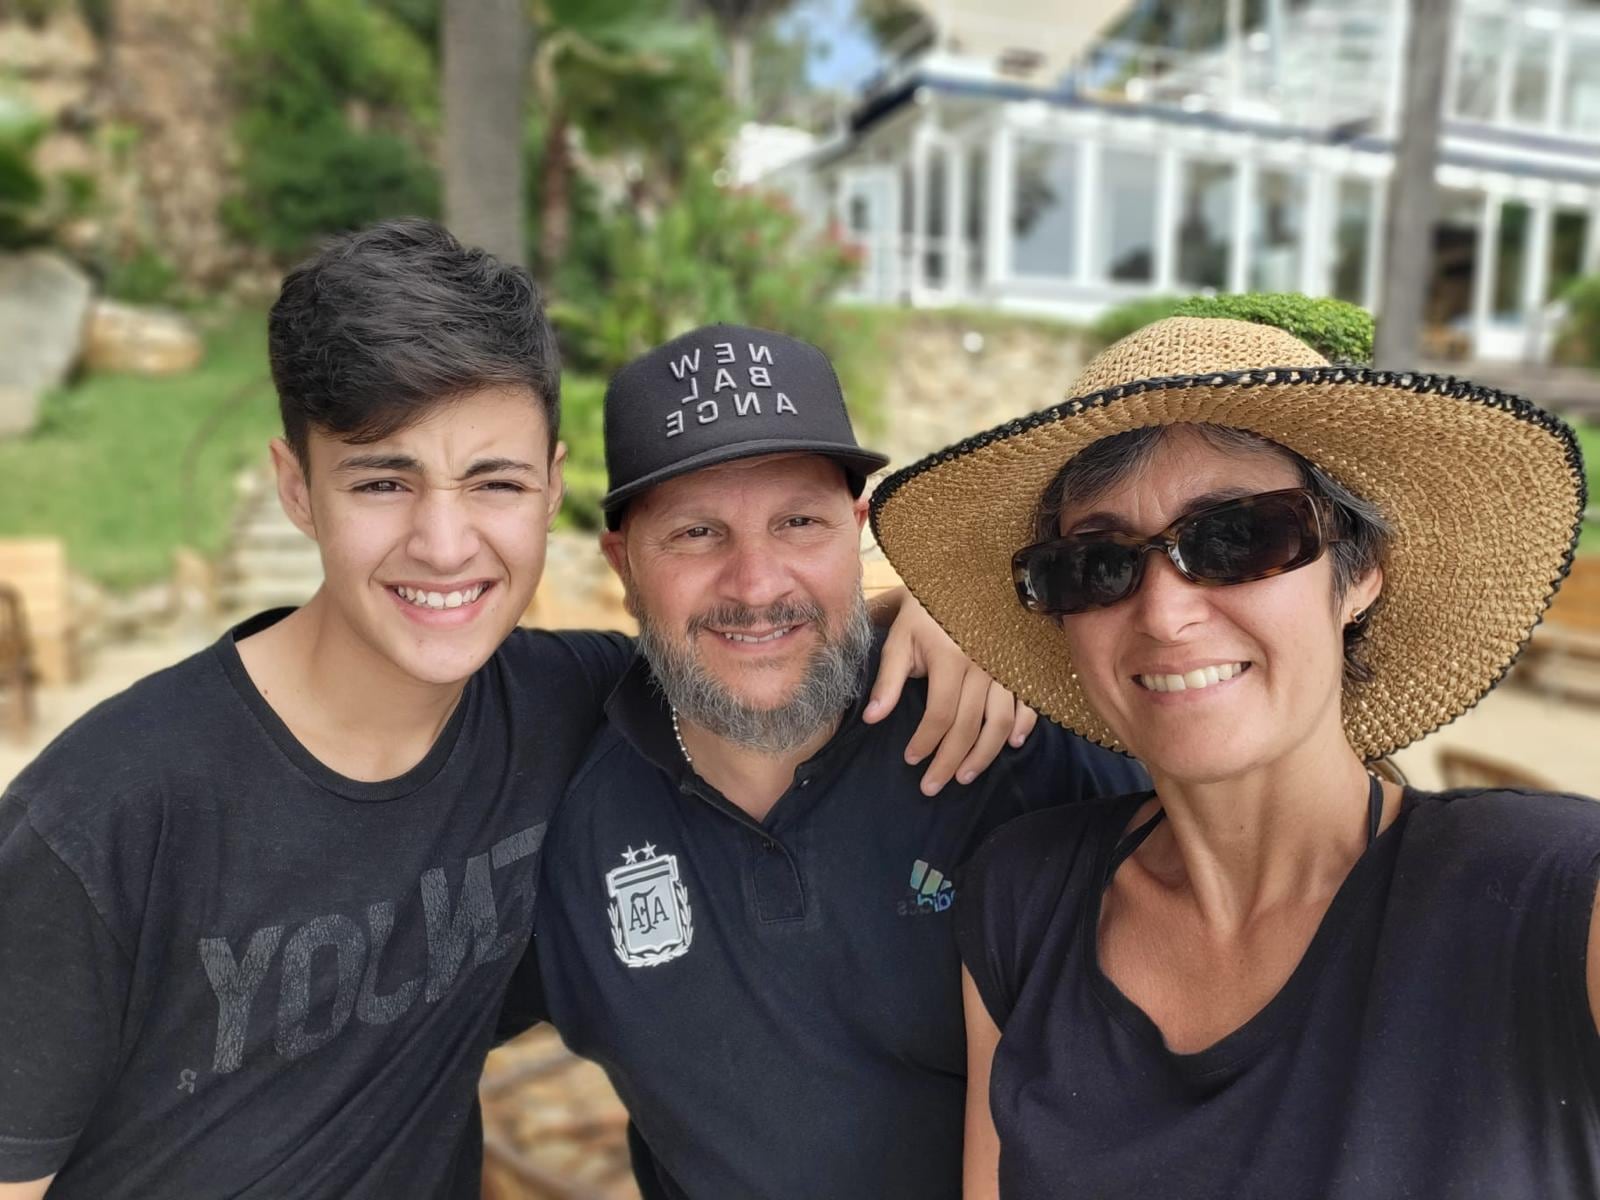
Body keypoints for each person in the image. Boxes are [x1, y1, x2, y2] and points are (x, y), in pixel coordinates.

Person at [0, 223, 1026, 1200]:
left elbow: (750, 635)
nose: (445, 545)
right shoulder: (103, 818)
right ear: (297, 489)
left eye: (493, 483)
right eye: (381, 482)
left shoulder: (570, 704)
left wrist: (943, 618)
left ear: (549, 489)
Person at [869, 314, 1599, 1199]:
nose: (1164, 614)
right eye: (1095, 564)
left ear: (1360, 573)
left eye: (1238, 537)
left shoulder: (1548, 891)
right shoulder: (1022, 897)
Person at [509, 324, 1146, 1200]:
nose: (757, 584)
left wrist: (990, 625)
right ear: (623, 565)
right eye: (696, 532)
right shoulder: (562, 813)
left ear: (856, 531)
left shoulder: (1017, 740)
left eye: (799, 522)